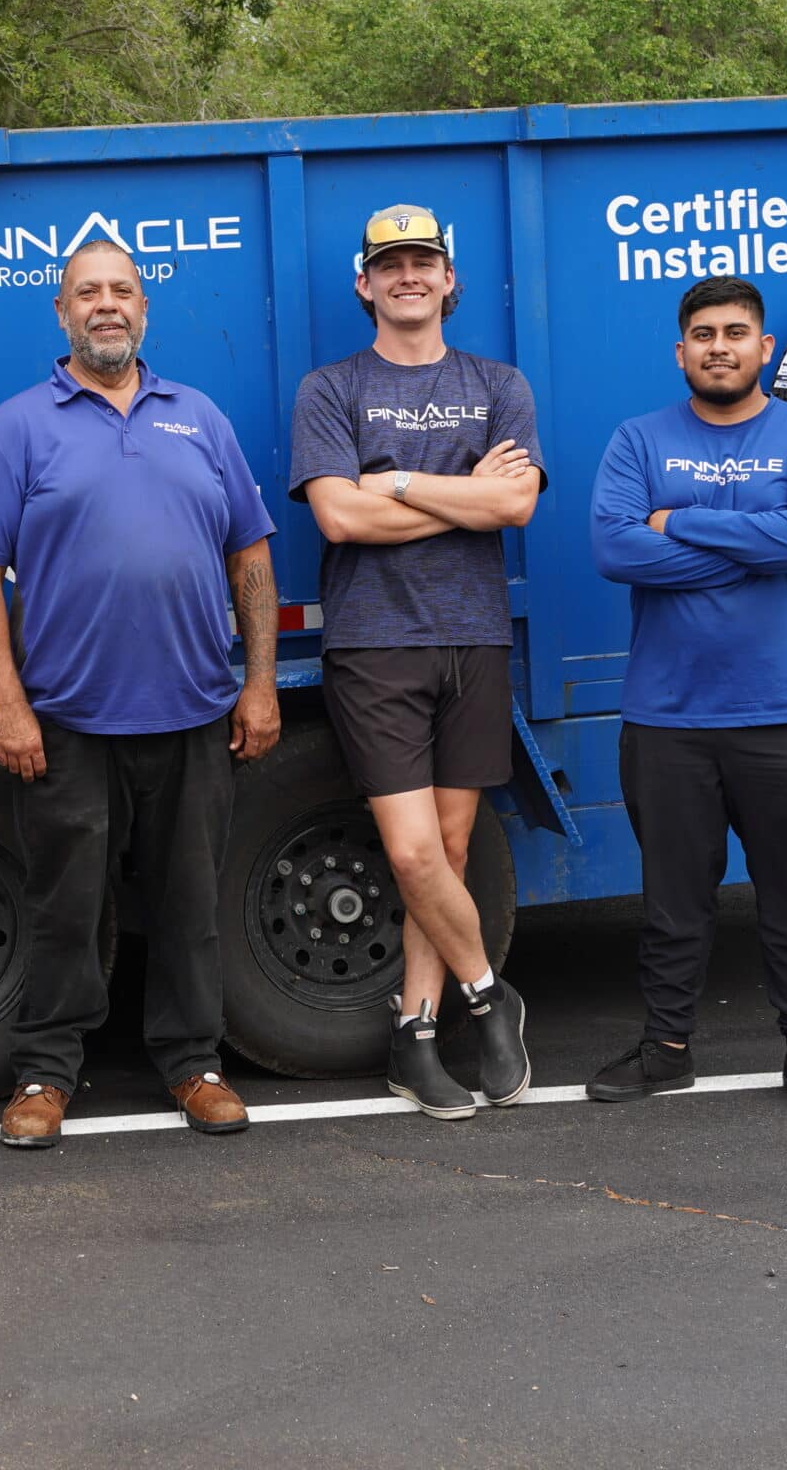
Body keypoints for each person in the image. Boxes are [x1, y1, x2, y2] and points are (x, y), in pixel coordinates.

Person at [0, 237, 282, 1149]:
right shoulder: (19, 425)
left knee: (190, 904)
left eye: (123, 291)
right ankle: (45, 1074)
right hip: (67, 722)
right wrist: (9, 706)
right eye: (87, 292)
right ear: (60, 313)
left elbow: (249, 556)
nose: (107, 305)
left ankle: (194, 1064)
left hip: (195, 713)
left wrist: (258, 684)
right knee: (67, 909)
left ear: (146, 310)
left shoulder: (199, 417)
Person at [585, 275, 787, 1117]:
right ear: (681, 351)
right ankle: (666, 1049)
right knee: (674, 905)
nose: (718, 346)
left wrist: (680, 521)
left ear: (764, 347)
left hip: (785, 712)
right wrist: (756, 548)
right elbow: (616, 549)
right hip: (668, 719)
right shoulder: (638, 440)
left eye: (735, 332)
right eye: (702, 334)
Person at [289, 204, 543, 1121]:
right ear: (365, 283)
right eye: (390, 264)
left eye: (423, 262)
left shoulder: (497, 384)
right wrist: (467, 493)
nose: (408, 277)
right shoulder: (331, 389)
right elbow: (337, 519)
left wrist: (392, 480)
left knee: (452, 849)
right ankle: (489, 995)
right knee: (408, 850)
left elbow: (516, 509)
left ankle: (417, 1036)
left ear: (449, 280)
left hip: (473, 637)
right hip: (373, 643)